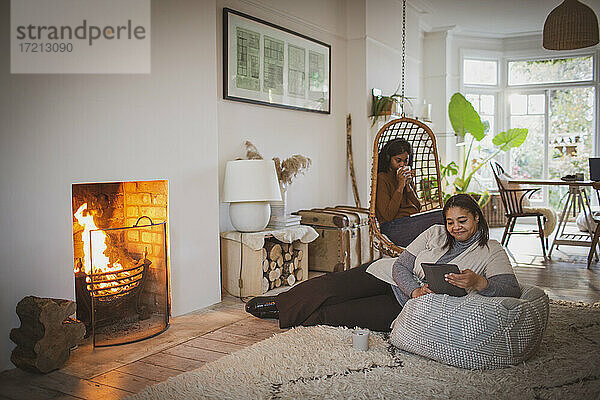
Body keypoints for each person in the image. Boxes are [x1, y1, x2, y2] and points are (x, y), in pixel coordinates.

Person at [245, 194, 521, 332]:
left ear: (476, 218)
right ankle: (278, 305)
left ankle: (291, 316)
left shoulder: (491, 250)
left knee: (333, 316)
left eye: (462, 221)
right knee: (329, 285)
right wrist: (414, 289)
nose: (455, 228)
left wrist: (479, 282)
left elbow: (510, 289)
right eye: (450, 221)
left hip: (407, 307)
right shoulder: (435, 233)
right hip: (387, 276)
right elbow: (401, 265)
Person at [375, 138, 442, 247]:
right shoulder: (382, 178)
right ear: (388, 159)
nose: (402, 164)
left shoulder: (405, 178)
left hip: (409, 222)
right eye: (398, 160)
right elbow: (388, 216)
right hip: (393, 227)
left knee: (444, 213)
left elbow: (418, 206)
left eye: (405, 161)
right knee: (442, 216)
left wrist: (408, 186)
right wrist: (400, 186)